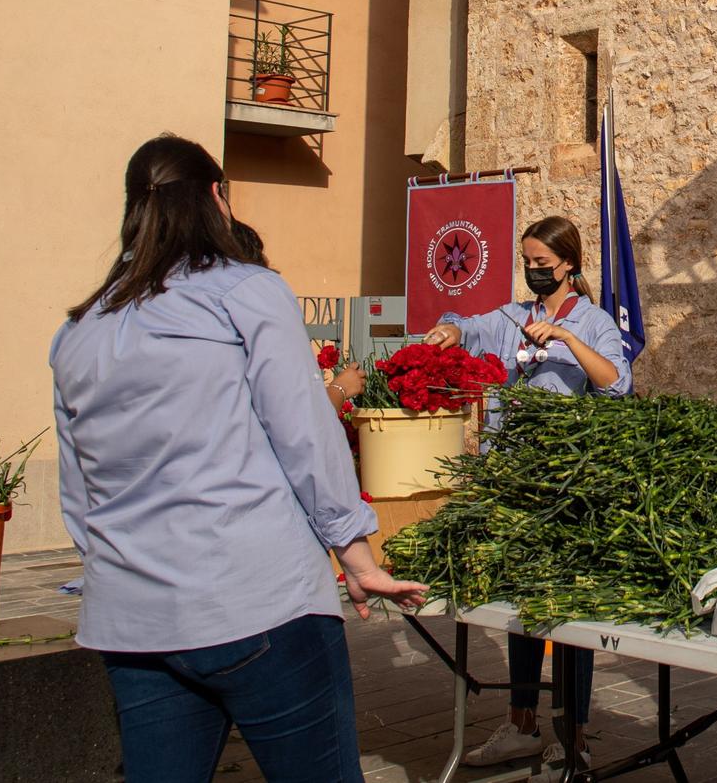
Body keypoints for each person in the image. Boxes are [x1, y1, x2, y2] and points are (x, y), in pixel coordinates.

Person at [52, 135, 425, 783]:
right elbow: (303, 429)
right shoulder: (245, 290)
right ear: (217, 198)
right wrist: (356, 551)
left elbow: (78, 487)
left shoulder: (78, 330)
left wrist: (113, 568)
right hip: (257, 601)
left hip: (134, 617)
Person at [422, 215, 632, 771]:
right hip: (510, 485)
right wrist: (450, 329)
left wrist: (564, 338)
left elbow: (617, 383)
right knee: (518, 608)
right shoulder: (513, 318)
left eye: (543, 265)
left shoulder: (594, 322)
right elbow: (464, 322)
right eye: (528, 264)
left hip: (565, 489)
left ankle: (573, 733)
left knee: (569, 615)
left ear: (569, 264)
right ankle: (521, 722)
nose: (535, 272)